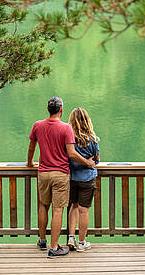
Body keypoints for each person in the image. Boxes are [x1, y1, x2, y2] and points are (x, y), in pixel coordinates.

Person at [27, 96, 96, 258]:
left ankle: (42, 240)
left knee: (43, 205)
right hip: (61, 174)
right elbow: (72, 154)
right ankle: (54, 247)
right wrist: (88, 162)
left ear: (48, 109)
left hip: (43, 172)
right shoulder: (66, 128)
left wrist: (30, 163)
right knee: (58, 210)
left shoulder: (38, 125)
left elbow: (31, 147)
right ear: (61, 110)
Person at [67, 107, 100, 252]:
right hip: (87, 178)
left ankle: (71, 237)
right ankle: (81, 243)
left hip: (72, 177)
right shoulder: (92, 139)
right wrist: (90, 161)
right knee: (84, 210)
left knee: (73, 206)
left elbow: (67, 156)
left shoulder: (69, 139)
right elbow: (97, 159)